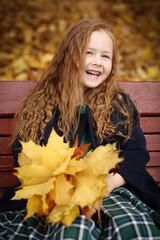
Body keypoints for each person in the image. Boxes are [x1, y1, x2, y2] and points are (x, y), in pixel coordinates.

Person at [0, 19, 160, 239]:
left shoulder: (120, 104)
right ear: (69, 56)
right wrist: (61, 190)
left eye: (105, 56)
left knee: (132, 228)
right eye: (89, 53)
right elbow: (25, 158)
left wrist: (109, 183)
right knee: (75, 228)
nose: (97, 62)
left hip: (113, 191)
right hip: (57, 195)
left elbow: (136, 154)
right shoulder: (40, 105)